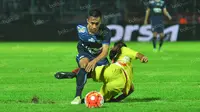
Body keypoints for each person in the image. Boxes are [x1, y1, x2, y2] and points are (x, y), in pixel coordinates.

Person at [56, 41, 148, 102]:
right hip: (120, 83)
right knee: (99, 99)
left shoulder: (124, 50)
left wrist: (142, 57)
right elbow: (131, 89)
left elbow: (137, 54)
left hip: (113, 70)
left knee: (88, 70)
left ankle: (74, 74)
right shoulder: (129, 68)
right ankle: (85, 101)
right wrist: (116, 100)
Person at [55, 9, 111, 104]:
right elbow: (80, 44)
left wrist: (94, 61)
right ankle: (77, 97)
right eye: (92, 23)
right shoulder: (80, 28)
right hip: (85, 53)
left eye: (97, 24)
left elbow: (105, 52)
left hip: (99, 56)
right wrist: (87, 58)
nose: (94, 26)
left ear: (100, 21)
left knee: (105, 75)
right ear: (87, 21)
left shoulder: (105, 32)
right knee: (84, 66)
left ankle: (73, 74)